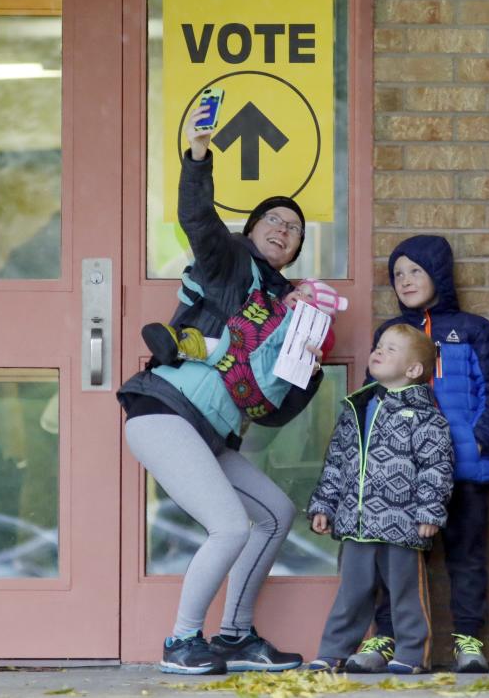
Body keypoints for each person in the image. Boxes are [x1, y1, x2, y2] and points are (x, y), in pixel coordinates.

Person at [117, 106, 325, 675]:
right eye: (274, 221)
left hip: (210, 432)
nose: (284, 230)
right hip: (164, 410)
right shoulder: (227, 261)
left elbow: (276, 413)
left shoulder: (293, 311)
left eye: (295, 229)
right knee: (230, 524)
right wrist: (199, 156)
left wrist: (305, 358)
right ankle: (182, 641)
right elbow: (199, 217)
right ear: (253, 230)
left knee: (276, 513)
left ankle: (234, 634)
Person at [347, 235, 489, 674]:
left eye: (415, 270)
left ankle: (469, 640)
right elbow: (373, 396)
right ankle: (387, 639)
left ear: (438, 272)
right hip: (403, 475)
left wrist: (480, 436)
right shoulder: (390, 335)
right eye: (397, 274)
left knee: (467, 556)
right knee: (394, 562)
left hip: (466, 469)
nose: (405, 280)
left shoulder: (475, 330)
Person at [305, 324, 454, 675]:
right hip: (357, 523)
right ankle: (332, 652)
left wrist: (430, 511)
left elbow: (436, 466)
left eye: (390, 349)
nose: (379, 351)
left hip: (402, 523)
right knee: (351, 593)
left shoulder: (425, 416)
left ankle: (412, 655)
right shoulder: (357, 409)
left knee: (406, 593)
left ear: (413, 370)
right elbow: (337, 462)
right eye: (379, 346)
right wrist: (324, 504)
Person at [141, 278, 347, 364]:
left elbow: (324, 343)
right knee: (219, 345)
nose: (299, 295)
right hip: (241, 345)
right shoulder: (279, 307)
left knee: (223, 351)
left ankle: (182, 347)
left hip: (261, 363)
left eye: (309, 296)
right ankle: (179, 345)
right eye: (299, 290)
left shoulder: (321, 331)